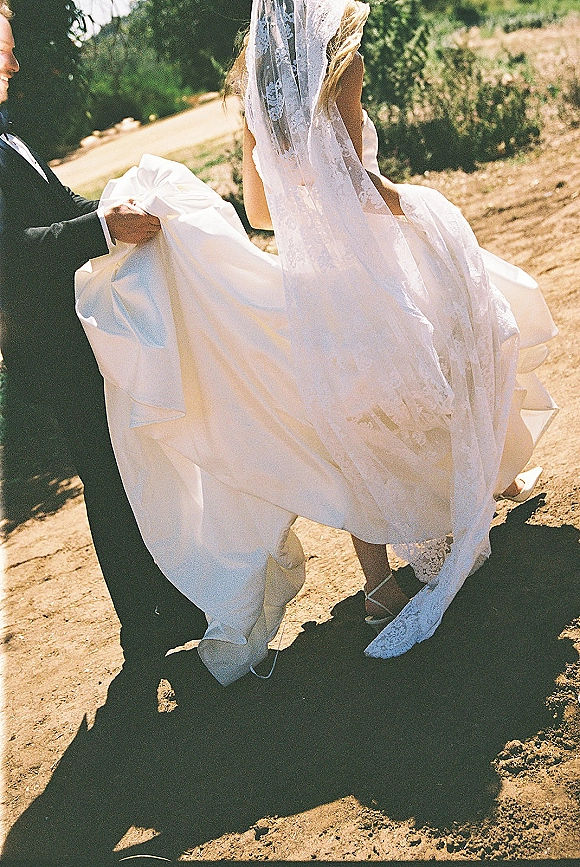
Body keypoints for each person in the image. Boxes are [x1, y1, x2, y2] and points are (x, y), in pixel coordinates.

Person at [73, 0, 557, 686]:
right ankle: (485, 482)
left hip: (312, 287)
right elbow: (358, 187)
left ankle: (380, 586)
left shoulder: (256, 94)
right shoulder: (342, 67)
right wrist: (418, 205)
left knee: (354, 421)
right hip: (372, 266)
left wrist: (311, 214)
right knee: (466, 343)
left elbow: (260, 211)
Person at [0, 2, 207, 692]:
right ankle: (145, 625)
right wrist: (101, 230)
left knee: (119, 466)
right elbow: (12, 254)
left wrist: (116, 207)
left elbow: (57, 205)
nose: (14, 62)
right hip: (50, 345)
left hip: (75, 333)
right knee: (106, 471)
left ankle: (161, 609)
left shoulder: (9, 135)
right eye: (3, 50)